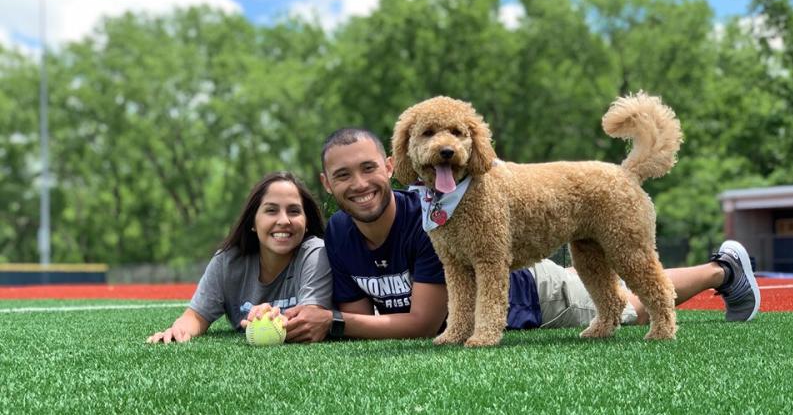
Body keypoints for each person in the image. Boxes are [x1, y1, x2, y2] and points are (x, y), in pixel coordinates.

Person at [286, 128, 761, 341]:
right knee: (599, 278)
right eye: (430, 135)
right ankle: (611, 316)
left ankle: (721, 272)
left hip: (537, 287)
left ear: (389, 167)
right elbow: (455, 272)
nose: (444, 145)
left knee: (633, 278)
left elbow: (484, 268)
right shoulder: (421, 211)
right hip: (519, 284)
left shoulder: (451, 202)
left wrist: (482, 331)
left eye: (369, 169)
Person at [146, 171, 332, 344]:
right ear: (253, 222)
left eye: (294, 211)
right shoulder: (228, 262)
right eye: (271, 210)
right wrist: (177, 332)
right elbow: (195, 317)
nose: (284, 220)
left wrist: (276, 319)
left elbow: (311, 318)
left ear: (306, 222)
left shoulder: (315, 254)